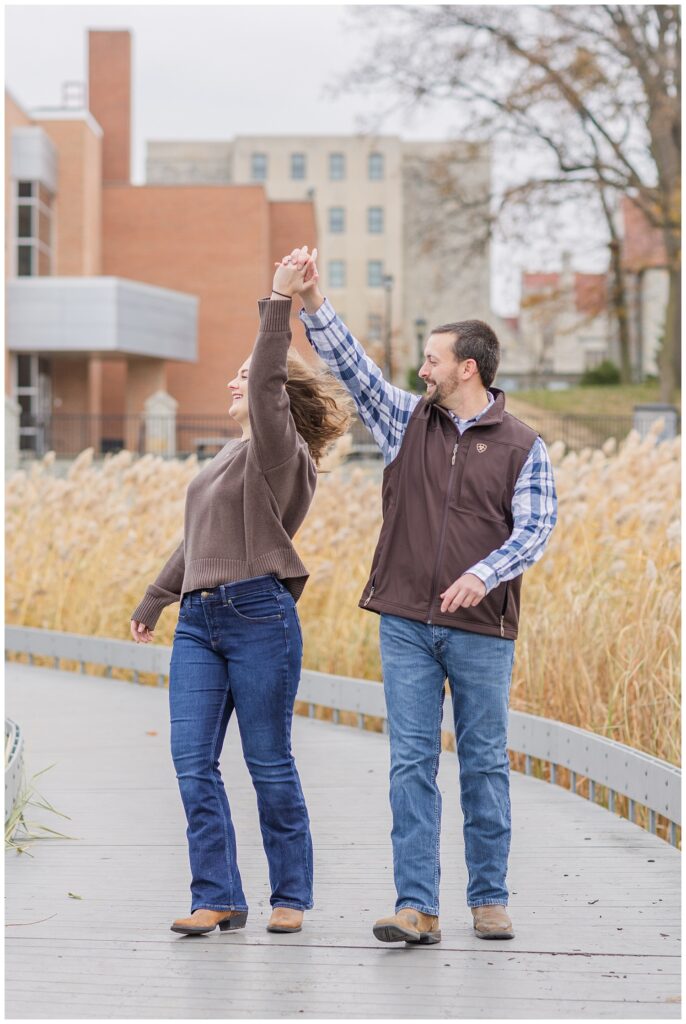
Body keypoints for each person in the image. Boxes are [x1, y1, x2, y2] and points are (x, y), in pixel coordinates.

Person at [284, 244, 558, 945]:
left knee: (484, 761)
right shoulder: (407, 423)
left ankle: (489, 899)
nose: (423, 370)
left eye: (433, 360)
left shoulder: (524, 445)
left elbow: (536, 528)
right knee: (410, 762)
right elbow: (356, 369)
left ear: (467, 367)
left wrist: (483, 574)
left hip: (482, 629)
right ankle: (417, 907)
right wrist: (313, 303)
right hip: (406, 619)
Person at [130, 250, 350, 937]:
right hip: (199, 620)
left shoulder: (282, 456)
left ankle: (291, 896)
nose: (236, 381)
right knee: (192, 761)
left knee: (267, 762)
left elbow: (265, 386)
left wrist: (279, 298)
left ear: (276, 395)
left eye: (248, 375)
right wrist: (155, 598)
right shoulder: (228, 458)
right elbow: (199, 540)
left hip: (260, 617)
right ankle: (218, 895)